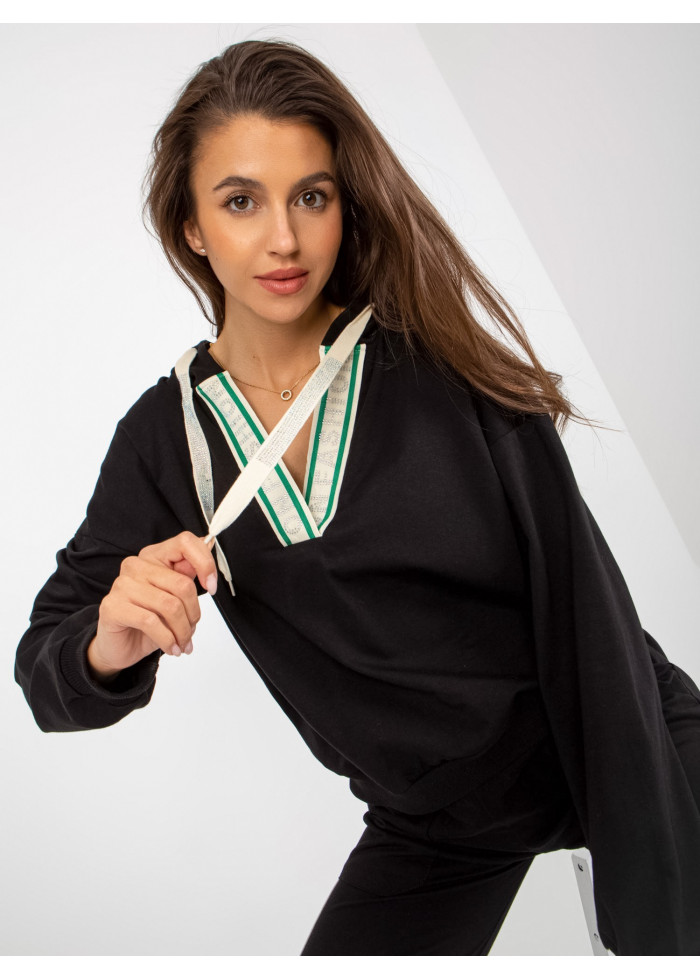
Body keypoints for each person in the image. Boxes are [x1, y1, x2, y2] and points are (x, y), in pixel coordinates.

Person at [14, 39, 700, 956]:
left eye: (312, 196)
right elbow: (45, 674)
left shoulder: (440, 358)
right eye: (241, 201)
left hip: (624, 731)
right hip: (438, 823)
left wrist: (650, 875)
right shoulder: (166, 437)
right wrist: (109, 642)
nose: (284, 239)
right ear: (190, 225)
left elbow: (587, 602)